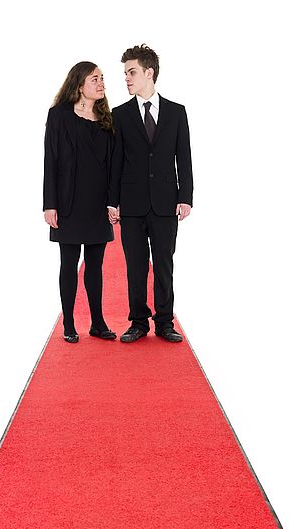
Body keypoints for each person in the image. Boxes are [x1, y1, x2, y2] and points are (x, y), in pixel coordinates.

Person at [108, 45, 193, 343]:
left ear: (149, 72)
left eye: (131, 72)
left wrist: (186, 197)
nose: (127, 79)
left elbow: (184, 157)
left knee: (164, 264)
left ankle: (165, 322)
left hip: (165, 202)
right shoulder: (119, 115)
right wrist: (112, 201)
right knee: (135, 266)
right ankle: (139, 322)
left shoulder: (176, 113)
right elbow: (115, 161)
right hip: (131, 204)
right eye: (125, 74)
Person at [43, 62, 116, 343]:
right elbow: (51, 160)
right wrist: (50, 204)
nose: (101, 83)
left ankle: (98, 322)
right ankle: (69, 323)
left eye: (102, 78)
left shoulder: (106, 117)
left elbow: (113, 166)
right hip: (68, 204)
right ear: (79, 84)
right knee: (69, 263)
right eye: (94, 79)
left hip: (98, 204)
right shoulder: (58, 116)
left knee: (95, 266)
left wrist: (114, 202)